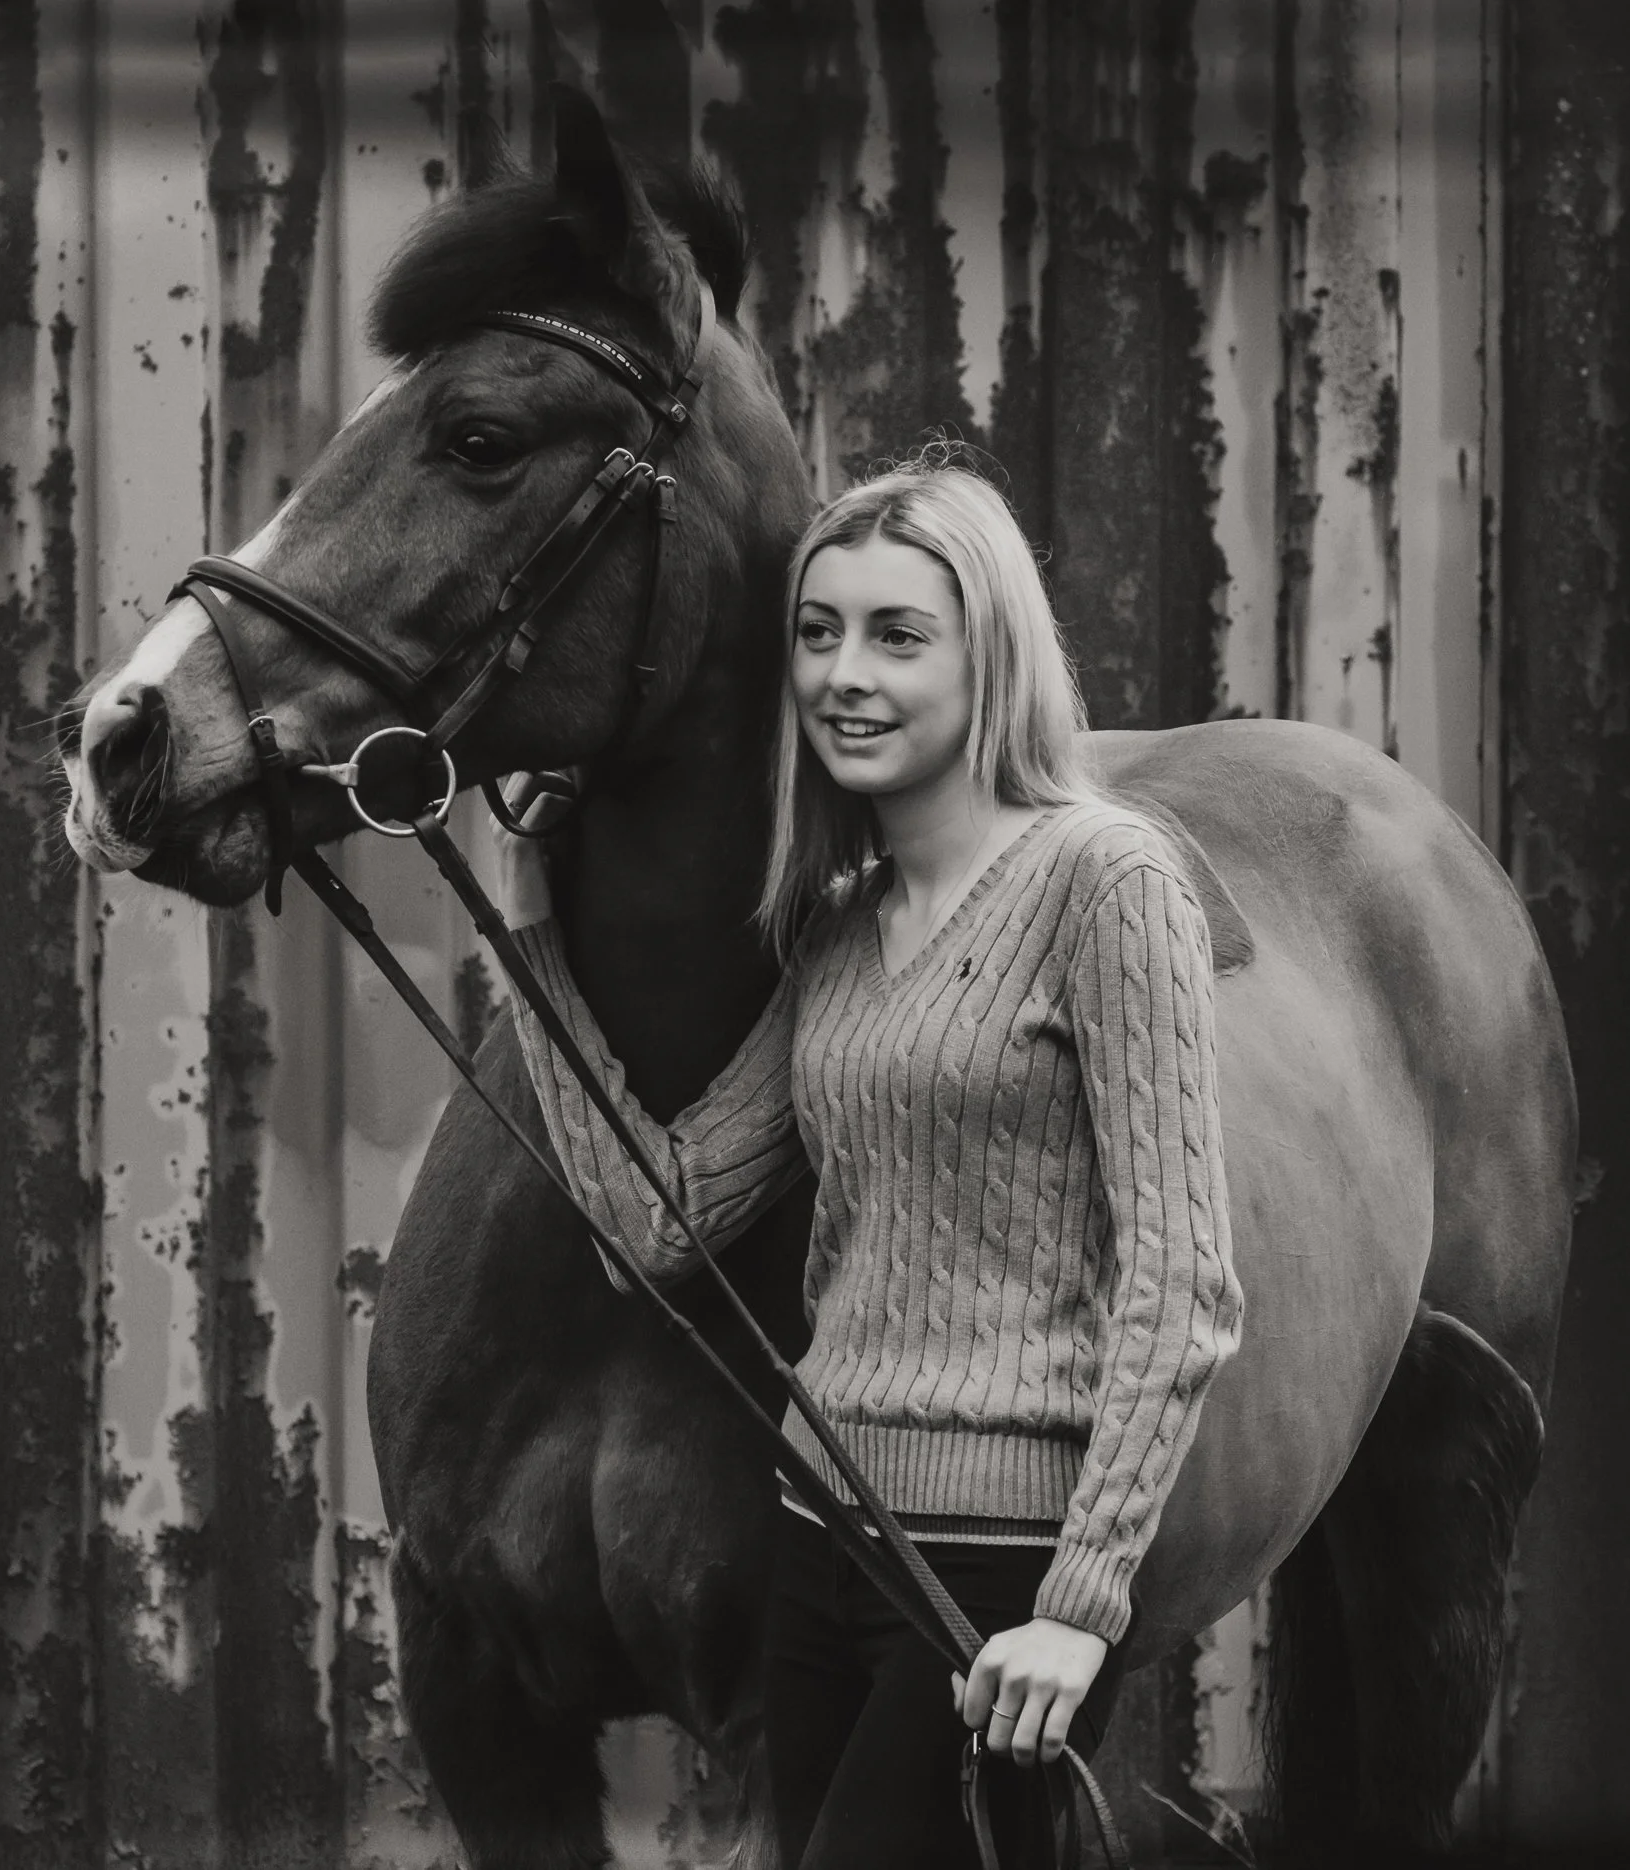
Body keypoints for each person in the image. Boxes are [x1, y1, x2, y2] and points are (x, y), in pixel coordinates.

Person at [493, 453, 1244, 1869]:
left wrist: (1081, 1600)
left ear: (990, 655)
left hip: (992, 1565)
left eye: (899, 635)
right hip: (817, 1530)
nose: (846, 672)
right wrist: (533, 926)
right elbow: (669, 1217)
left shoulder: (1108, 877)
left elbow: (1185, 1278)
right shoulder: (838, 922)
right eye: (820, 631)